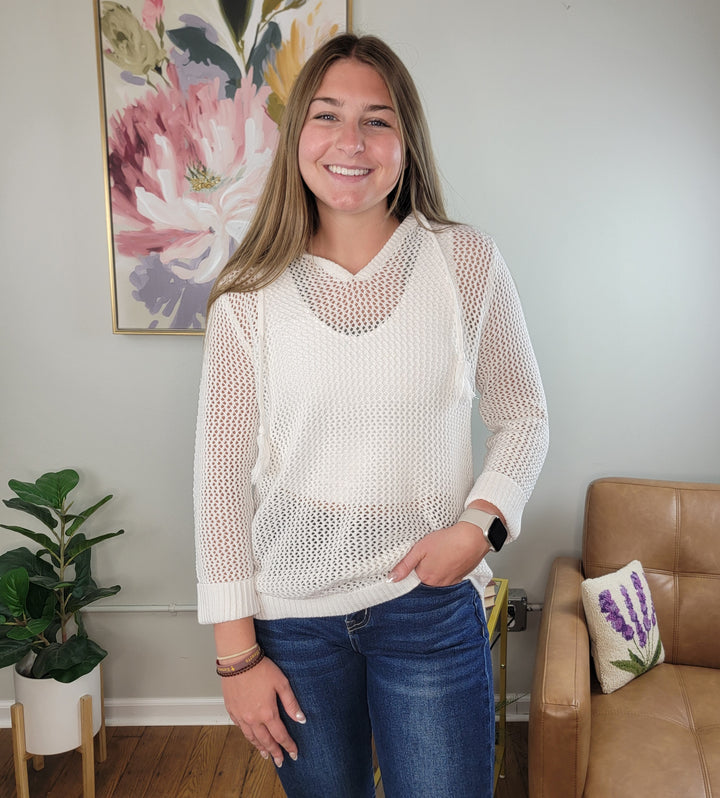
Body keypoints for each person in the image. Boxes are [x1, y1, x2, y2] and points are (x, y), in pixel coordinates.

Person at [194, 32, 549, 798]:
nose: (350, 142)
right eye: (327, 116)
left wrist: (481, 522)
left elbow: (524, 414)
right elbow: (219, 481)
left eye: (377, 120)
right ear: (298, 139)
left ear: (406, 142)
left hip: (427, 611)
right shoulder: (247, 295)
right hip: (291, 626)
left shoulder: (465, 262)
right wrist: (237, 657)